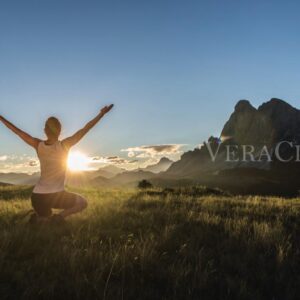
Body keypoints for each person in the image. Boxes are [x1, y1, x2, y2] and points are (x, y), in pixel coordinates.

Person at [0, 104, 114, 224]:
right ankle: (58, 218)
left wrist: (1, 118)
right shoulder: (64, 145)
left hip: (37, 197)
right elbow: (85, 129)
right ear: (59, 130)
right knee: (82, 203)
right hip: (56, 196)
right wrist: (101, 114)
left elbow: (16, 131)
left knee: (44, 219)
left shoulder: (38, 145)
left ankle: (40, 218)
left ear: (45, 130)